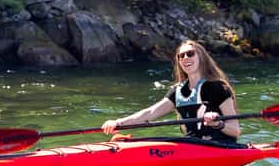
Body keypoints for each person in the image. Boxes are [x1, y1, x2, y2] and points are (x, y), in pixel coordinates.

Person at [101, 40, 241, 143]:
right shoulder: (177, 91)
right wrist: (119, 123)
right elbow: (150, 113)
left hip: (220, 145)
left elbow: (235, 130)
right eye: (181, 56)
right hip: (192, 145)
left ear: (201, 58)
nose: (185, 58)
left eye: (190, 54)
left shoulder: (218, 88)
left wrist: (217, 123)